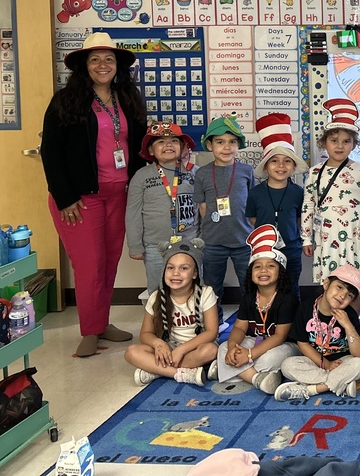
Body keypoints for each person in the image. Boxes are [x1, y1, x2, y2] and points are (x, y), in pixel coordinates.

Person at [41, 31, 146, 357]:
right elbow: (50, 152)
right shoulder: (65, 102)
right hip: (80, 199)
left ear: (118, 66)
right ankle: (89, 330)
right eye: (95, 59)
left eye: (109, 59)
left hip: (120, 195)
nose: (103, 65)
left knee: (108, 263)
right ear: (84, 65)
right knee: (89, 265)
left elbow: (141, 146)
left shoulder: (128, 99)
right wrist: (65, 197)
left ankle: (101, 323)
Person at [214, 225, 300, 395]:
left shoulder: (287, 298)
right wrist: (233, 346)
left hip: (285, 345)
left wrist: (249, 355)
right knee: (223, 347)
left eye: (270, 266)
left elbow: (279, 336)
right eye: (257, 266)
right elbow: (239, 328)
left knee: (269, 359)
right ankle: (257, 379)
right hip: (256, 342)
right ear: (250, 273)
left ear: (280, 272)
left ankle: (226, 370)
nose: (263, 270)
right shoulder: (249, 296)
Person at [301, 98, 360, 283]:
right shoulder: (315, 172)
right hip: (326, 237)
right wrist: (306, 239)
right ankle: (328, 313)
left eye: (346, 141)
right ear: (324, 142)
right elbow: (308, 206)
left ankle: (352, 313)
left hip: (355, 236)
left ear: (354, 144)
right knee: (329, 282)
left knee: (354, 281)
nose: (340, 146)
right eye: (334, 140)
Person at [124, 239, 218, 386]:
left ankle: (156, 371)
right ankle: (181, 374)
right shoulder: (156, 297)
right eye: (170, 268)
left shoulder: (206, 293)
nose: (176, 273)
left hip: (194, 349)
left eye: (184, 268)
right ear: (164, 271)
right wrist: (159, 344)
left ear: (195, 273)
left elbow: (211, 332)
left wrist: (182, 349)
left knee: (211, 350)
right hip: (168, 350)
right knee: (131, 352)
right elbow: (145, 334)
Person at [275, 263, 360, 401]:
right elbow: (303, 343)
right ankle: (340, 383)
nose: (342, 295)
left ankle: (313, 389)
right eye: (339, 287)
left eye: (349, 295)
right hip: (315, 361)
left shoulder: (349, 314)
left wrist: (348, 326)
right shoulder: (305, 307)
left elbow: (358, 353)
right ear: (326, 284)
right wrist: (326, 364)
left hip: (342, 362)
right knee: (287, 365)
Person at [126, 122, 199, 297]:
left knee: (192, 287)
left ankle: (191, 322)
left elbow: (201, 207)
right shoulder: (141, 176)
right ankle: (159, 323)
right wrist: (135, 246)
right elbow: (133, 213)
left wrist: (202, 239)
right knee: (158, 290)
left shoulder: (195, 173)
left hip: (189, 242)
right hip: (155, 246)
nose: (168, 145)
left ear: (183, 147)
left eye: (174, 140)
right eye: (160, 142)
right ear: (151, 150)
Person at [194, 115, 256, 302]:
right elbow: (203, 208)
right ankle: (215, 322)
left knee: (249, 285)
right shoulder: (202, 173)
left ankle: (251, 321)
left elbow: (252, 205)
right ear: (210, 145)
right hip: (213, 242)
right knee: (212, 287)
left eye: (232, 142)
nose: (227, 147)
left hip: (244, 241)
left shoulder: (247, 171)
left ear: (239, 145)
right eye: (220, 142)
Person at [246, 113, 307, 299]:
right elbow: (253, 218)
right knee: (266, 290)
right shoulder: (255, 192)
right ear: (265, 166)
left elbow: (299, 219)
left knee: (291, 289)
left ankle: (292, 325)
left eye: (287, 161)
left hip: (292, 250)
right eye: (274, 161)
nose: (281, 166)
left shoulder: (298, 192)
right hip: (265, 252)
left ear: (293, 166)